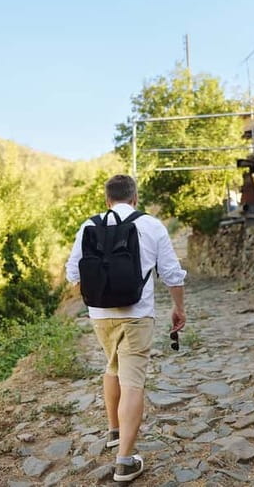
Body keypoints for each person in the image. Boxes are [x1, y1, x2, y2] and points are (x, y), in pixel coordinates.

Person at [65, 174, 187, 483]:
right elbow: (172, 274)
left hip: (100, 315)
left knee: (112, 367)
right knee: (134, 381)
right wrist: (178, 308)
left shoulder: (88, 225)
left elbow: (71, 273)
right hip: (137, 314)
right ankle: (125, 461)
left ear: (107, 200)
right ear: (134, 198)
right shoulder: (152, 225)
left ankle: (114, 432)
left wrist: (101, 291)